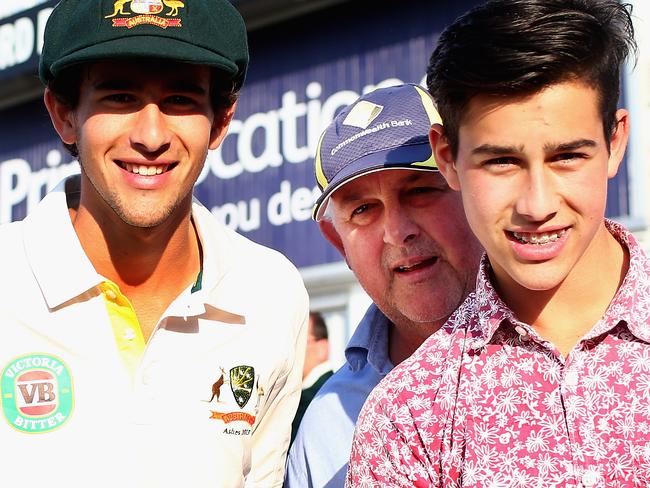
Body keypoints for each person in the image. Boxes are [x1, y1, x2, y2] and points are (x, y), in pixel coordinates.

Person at [0, 1, 309, 487]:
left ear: (221, 121)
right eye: (120, 96)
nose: (151, 136)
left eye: (181, 100)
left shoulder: (270, 292)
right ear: (63, 115)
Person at [347, 1, 649, 486]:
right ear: (447, 158)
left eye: (568, 156)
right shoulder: (408, 417)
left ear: (615, 142)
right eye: (502, 162)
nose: (537, 203)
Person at [284, 83, 483, 487]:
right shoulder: (326, 424)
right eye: (363, 210)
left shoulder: (581, 357)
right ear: (338, 241)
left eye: (421, 191)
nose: (396, 231)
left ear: (478, 195)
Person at [290, 311, 334, 444]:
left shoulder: (325, 395)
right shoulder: (301, 395)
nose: (291, 349)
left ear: (322, 347)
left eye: (298, 341)